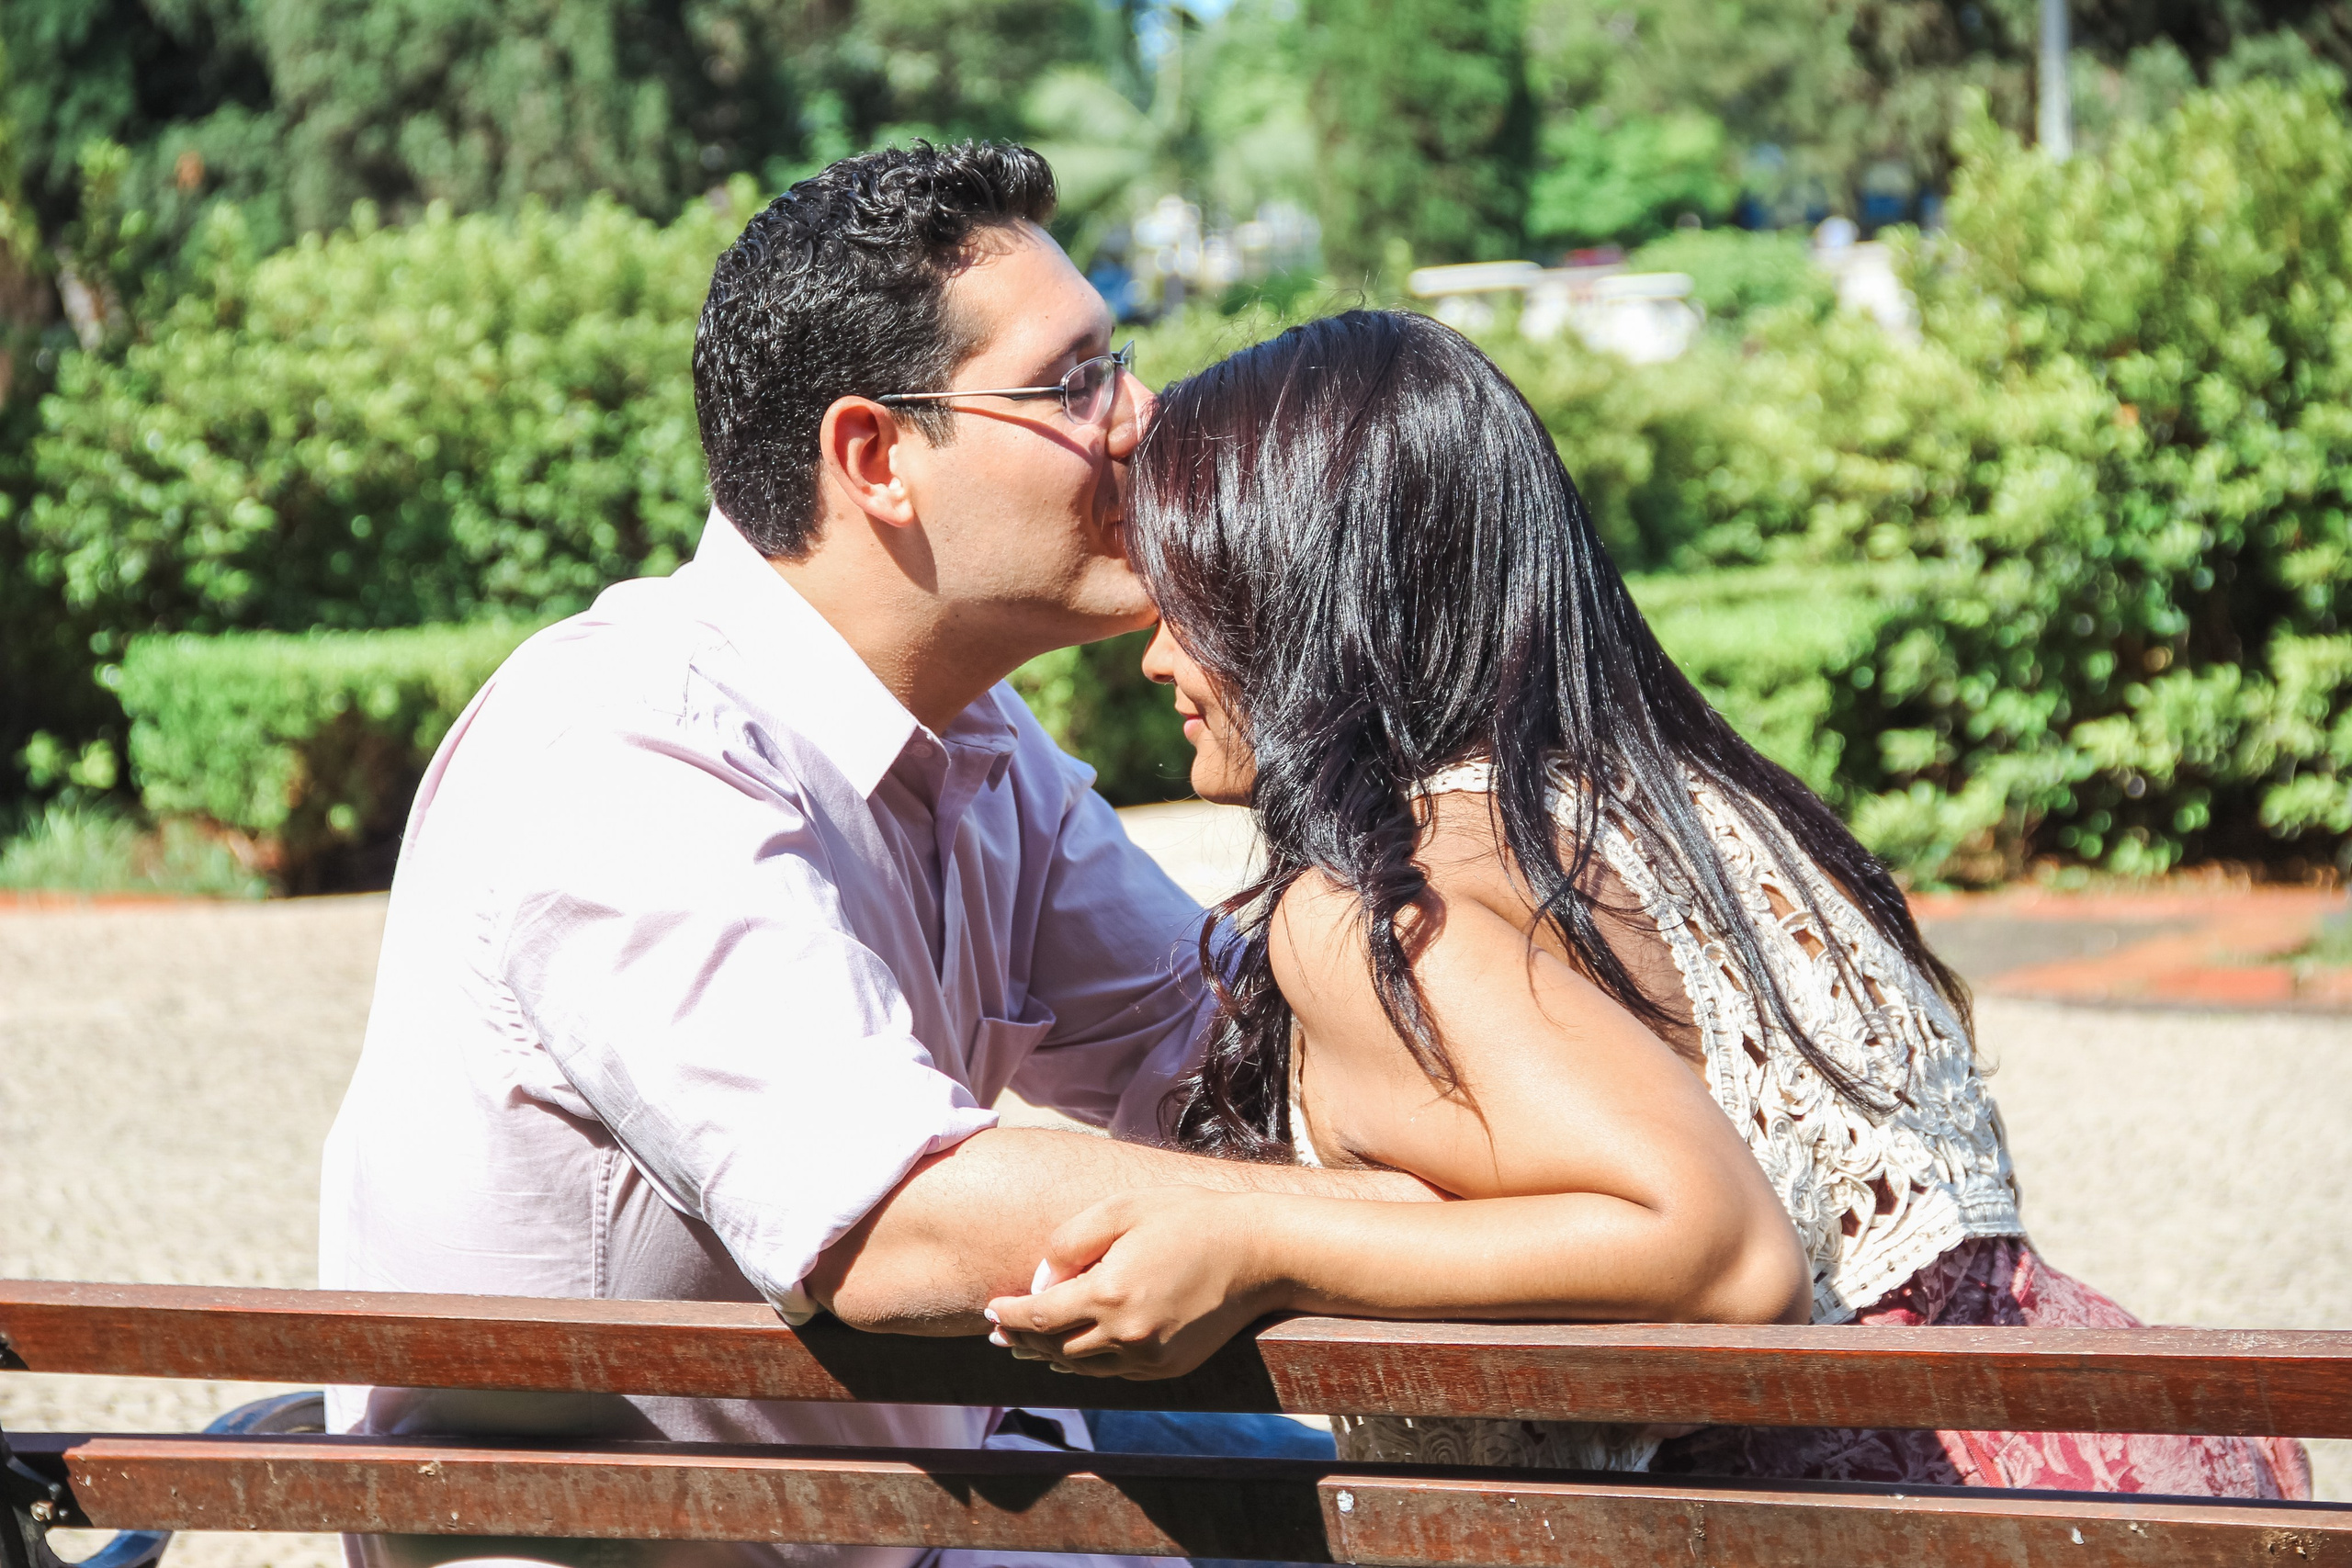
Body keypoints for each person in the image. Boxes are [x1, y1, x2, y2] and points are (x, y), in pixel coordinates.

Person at [983, 309, 2312, 1500]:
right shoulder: (1696, 807)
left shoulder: (1382, 909)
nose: (1158, 651)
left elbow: (1722, 1257)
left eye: (1193, 597)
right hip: (2114, 1475)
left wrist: (1255, 1237)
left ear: (1306, 599)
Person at [317, 147, 1427, 1568]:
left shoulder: (976, 739)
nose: (1147, 420)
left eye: (1121, 362)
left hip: (928, 1492)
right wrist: (1381, 1223)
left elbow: (1214, 1055)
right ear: (875, 459)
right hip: (658, 1546)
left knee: (1476, 1514)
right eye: (1074, 381)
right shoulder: (623, 747)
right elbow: (892, 1221)